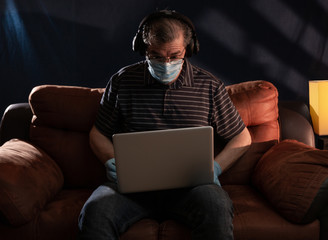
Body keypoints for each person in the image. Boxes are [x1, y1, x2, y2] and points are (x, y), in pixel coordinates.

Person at [78, 10, 251, 240]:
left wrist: (215, 168)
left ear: (188, 49)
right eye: (156, 56)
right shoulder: (122, 81)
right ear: (144, 49)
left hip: (192, 189)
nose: (166, 63)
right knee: (96, 211)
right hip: (133, 189)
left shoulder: (209, 86)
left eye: (174, 55)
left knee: (216, 207)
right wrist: (113, 161)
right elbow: (97, 134)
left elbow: (243, 138)